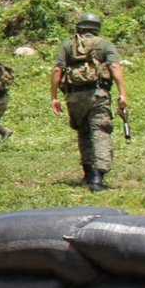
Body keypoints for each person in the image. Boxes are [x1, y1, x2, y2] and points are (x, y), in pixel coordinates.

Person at [51, 13, 128, 191]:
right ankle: (97, 178)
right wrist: (122, 94)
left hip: (74, 97)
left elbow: (57, 70)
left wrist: (54, 97)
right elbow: (114, 67)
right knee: (100, 130)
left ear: (79, 27)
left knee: (84, 133)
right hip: (97, 94)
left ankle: (88, 173)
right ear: (96, 28)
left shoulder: (67, 45)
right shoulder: (104, 44)